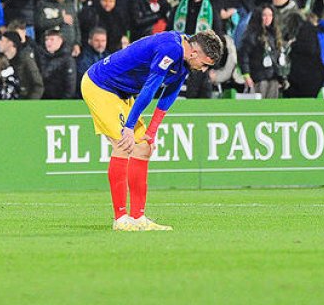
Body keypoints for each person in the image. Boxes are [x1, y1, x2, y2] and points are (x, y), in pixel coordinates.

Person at [81, 30, 223, 231]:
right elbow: (149, 89)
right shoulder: (170, 49)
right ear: (195, 53)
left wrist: (153, 130)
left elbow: (170, 93)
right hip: (100, 85)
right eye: (205, 64)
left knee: (144, 149)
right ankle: (120, 219)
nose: (203, 69)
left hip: (122, 92)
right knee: (124, 144)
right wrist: (129, 127)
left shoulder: (185, 54)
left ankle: (138, 218)